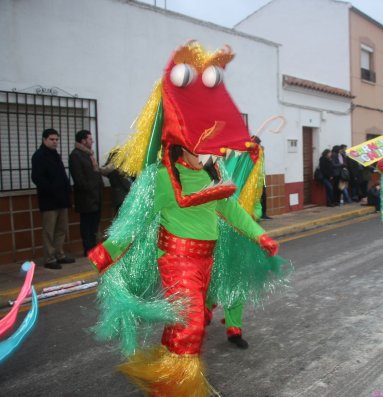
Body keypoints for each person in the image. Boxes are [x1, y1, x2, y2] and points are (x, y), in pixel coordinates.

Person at [88, 41, 284, 396]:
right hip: (176, 260)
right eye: (201, 148)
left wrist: (259, 236)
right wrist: (107, 251)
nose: (209, 153)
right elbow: (137, 217)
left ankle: (166, 367)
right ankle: (178, 387)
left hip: (205, 260)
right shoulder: (164, 179)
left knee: (185, 320)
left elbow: (232, 209)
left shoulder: (213, 175)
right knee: (192, 324)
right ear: (180, 145)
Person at [30, 128, 75, 269]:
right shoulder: (39, 156)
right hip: (49, 200)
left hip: (61, 199)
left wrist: (67, 190)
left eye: (56, 139)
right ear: (44, 140)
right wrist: (52, 190)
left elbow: (61, 176)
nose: (55, 142)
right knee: (49, 230)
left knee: (61, 229)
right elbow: (37, 178)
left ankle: (59, 254)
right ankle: (49, 258)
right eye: (52, 139)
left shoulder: (55, 155)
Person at [69, 129, 104, 256]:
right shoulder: (76, 155)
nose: (92, 141)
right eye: (90, 139)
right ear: (83, 141)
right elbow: (79, 179)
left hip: (95, 196)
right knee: (87, 225)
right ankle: (88, 248)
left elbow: (95, 174)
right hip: (86, 198)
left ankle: (93, 247)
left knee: (94, 224)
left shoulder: (89, 155)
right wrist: (92, 187)